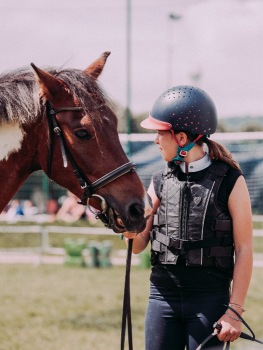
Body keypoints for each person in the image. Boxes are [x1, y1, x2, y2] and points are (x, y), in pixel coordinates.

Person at [123, 86, 253, 350]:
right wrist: (127, 228)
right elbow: (137, 246)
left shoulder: (231, 180)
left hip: (210, 300)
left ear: (181, 138)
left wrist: (234, 312)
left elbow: (245, 248)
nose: (156, 141)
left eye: (160, 134)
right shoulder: (158, 180)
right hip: (162, 298)